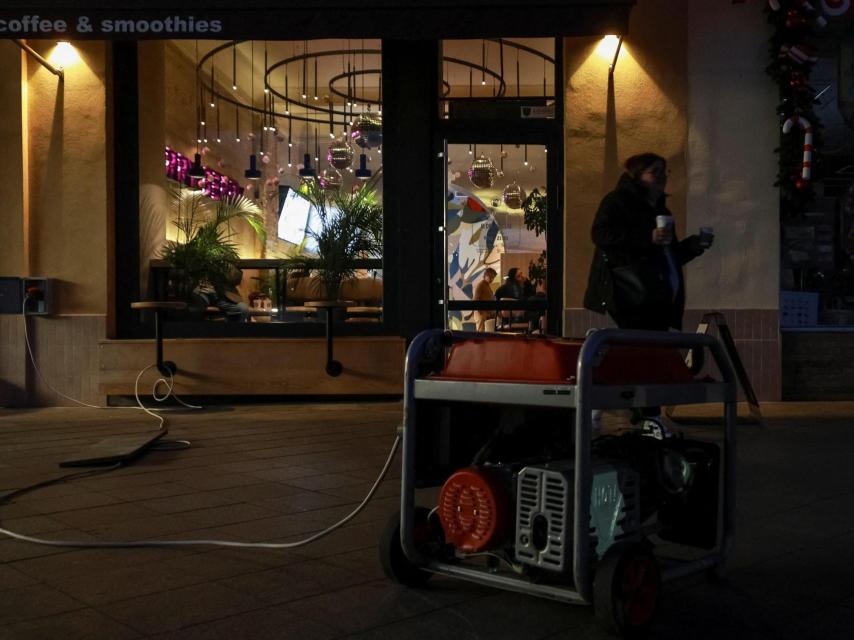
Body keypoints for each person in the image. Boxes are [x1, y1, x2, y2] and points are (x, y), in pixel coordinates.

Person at [583, 152, 714, 435]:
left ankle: (602, 395)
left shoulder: (661, 210)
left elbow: (669, 255)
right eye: (655, 172)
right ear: (637, 175)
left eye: (664, 171)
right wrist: (647, 237)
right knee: (647, 353)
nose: (662, 177)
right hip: (630, 291)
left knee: (639, 353)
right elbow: (600, 234)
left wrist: (694, 246)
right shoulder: (618, 202)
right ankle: (647, 415)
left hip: (657, 294)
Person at [474, 267, 498, 332]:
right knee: (481, 332)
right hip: (481, 313)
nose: (492, 279)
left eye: (493, 277)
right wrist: (481, 312)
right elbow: (475, 299)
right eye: (490, 277)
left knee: (488, 332)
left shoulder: (487, 286)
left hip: (487, 312)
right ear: (485, 275)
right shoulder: (480, 285)